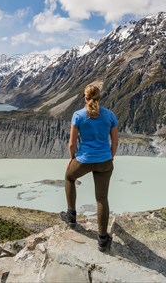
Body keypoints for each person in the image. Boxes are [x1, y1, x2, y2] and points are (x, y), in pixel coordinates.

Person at [60, 83, 119, 252]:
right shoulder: (110, 115)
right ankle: (102, 240)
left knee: (69, 177)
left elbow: (72, 143)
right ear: (99, 98)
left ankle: (71, 216)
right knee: (102, 198)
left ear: (85, 98)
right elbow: (115, 142)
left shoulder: (78, 115)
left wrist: (72, 158)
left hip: (84, 160)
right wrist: (110, 157)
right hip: (105, 161)